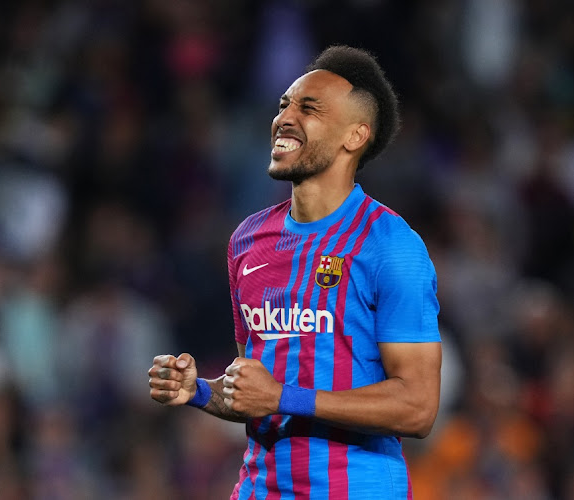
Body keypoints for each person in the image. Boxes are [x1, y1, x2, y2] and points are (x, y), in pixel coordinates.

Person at [149, 45, 442, 499]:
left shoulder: (391, 246)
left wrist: (283, 397)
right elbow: (254, 389)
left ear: (355, 136)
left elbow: (418, 408)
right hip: (259, 488)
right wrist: (200, 391)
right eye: (285, 104)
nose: (285, 117)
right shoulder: (247, 239)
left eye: (309, 108)